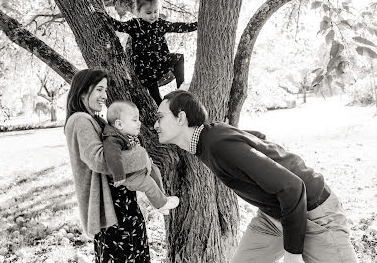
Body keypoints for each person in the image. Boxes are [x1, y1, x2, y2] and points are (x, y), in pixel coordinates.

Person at [153, 90, 358, 263]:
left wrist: (292, 255)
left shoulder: (216, 144)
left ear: (181, 118)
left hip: (311, 212)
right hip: (272, 215)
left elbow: (292, 187)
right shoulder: (209, 136)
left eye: (160, 117)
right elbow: (257, 137)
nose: (155, 125)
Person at [64, 69, 151, 262]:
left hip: (122, 205)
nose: (105, 95)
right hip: (112, 209)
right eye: (99, 90)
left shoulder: (94, 119)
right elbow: (101, 161)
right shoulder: (80, 120)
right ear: (83, 91)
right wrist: (142, 156)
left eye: (105, 90)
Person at [104, 0, 197, 105]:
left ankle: (181, 90)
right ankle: (161, 108)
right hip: (144, 70)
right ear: (138, 12)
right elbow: (118, 26)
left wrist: (196, 25)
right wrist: (104, 16)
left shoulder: (160, 24)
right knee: (157, 99)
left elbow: (178, 27)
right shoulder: (134, 24)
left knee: (178, 58)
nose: (153, 15)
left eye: (155, 11)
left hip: (159, 62)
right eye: (148, 13)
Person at [103, 100, 179, 214]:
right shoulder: (113, 140)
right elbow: (112, 156)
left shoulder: (128, 134)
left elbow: (138, 148)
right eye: (134, 120)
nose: (139, 123)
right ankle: (160, 204)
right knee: (148, 183)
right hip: (129, 175)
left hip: (139, 169)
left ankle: (161, 198)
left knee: (155, 171)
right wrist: (118, 174)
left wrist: (147, 159)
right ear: (119, 124)